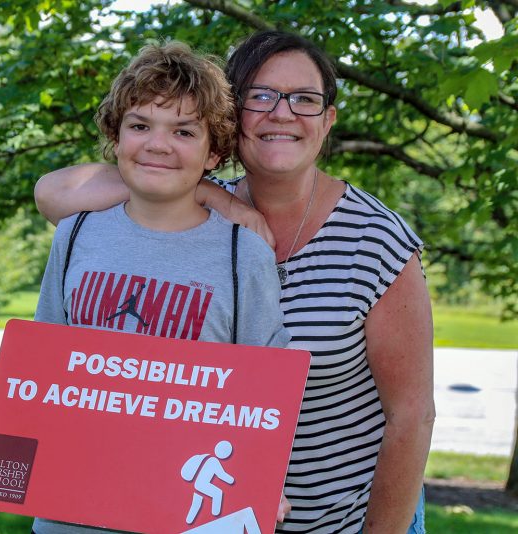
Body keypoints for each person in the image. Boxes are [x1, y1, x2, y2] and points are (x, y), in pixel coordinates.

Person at [32, 31, 435, 534]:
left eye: (304, 100)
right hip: (205, 520)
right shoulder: (195, 206)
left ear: (327, 120)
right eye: (261, 96)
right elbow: (56, 191)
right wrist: (221, 199)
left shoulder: (377, 239)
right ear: (230, 116)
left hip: (343, 521)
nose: (282, 113)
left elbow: (412, 416)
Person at [0, 41, 291, 532]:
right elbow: (37, 379)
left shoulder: (245, 255)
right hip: (69, 513)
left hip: (186, 519)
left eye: (184, 131)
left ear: (214, 151)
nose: (158, 145)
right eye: (140, 126)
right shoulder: (76, 234)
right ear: (116, 138)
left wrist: (263, 486)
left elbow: (267, 399)